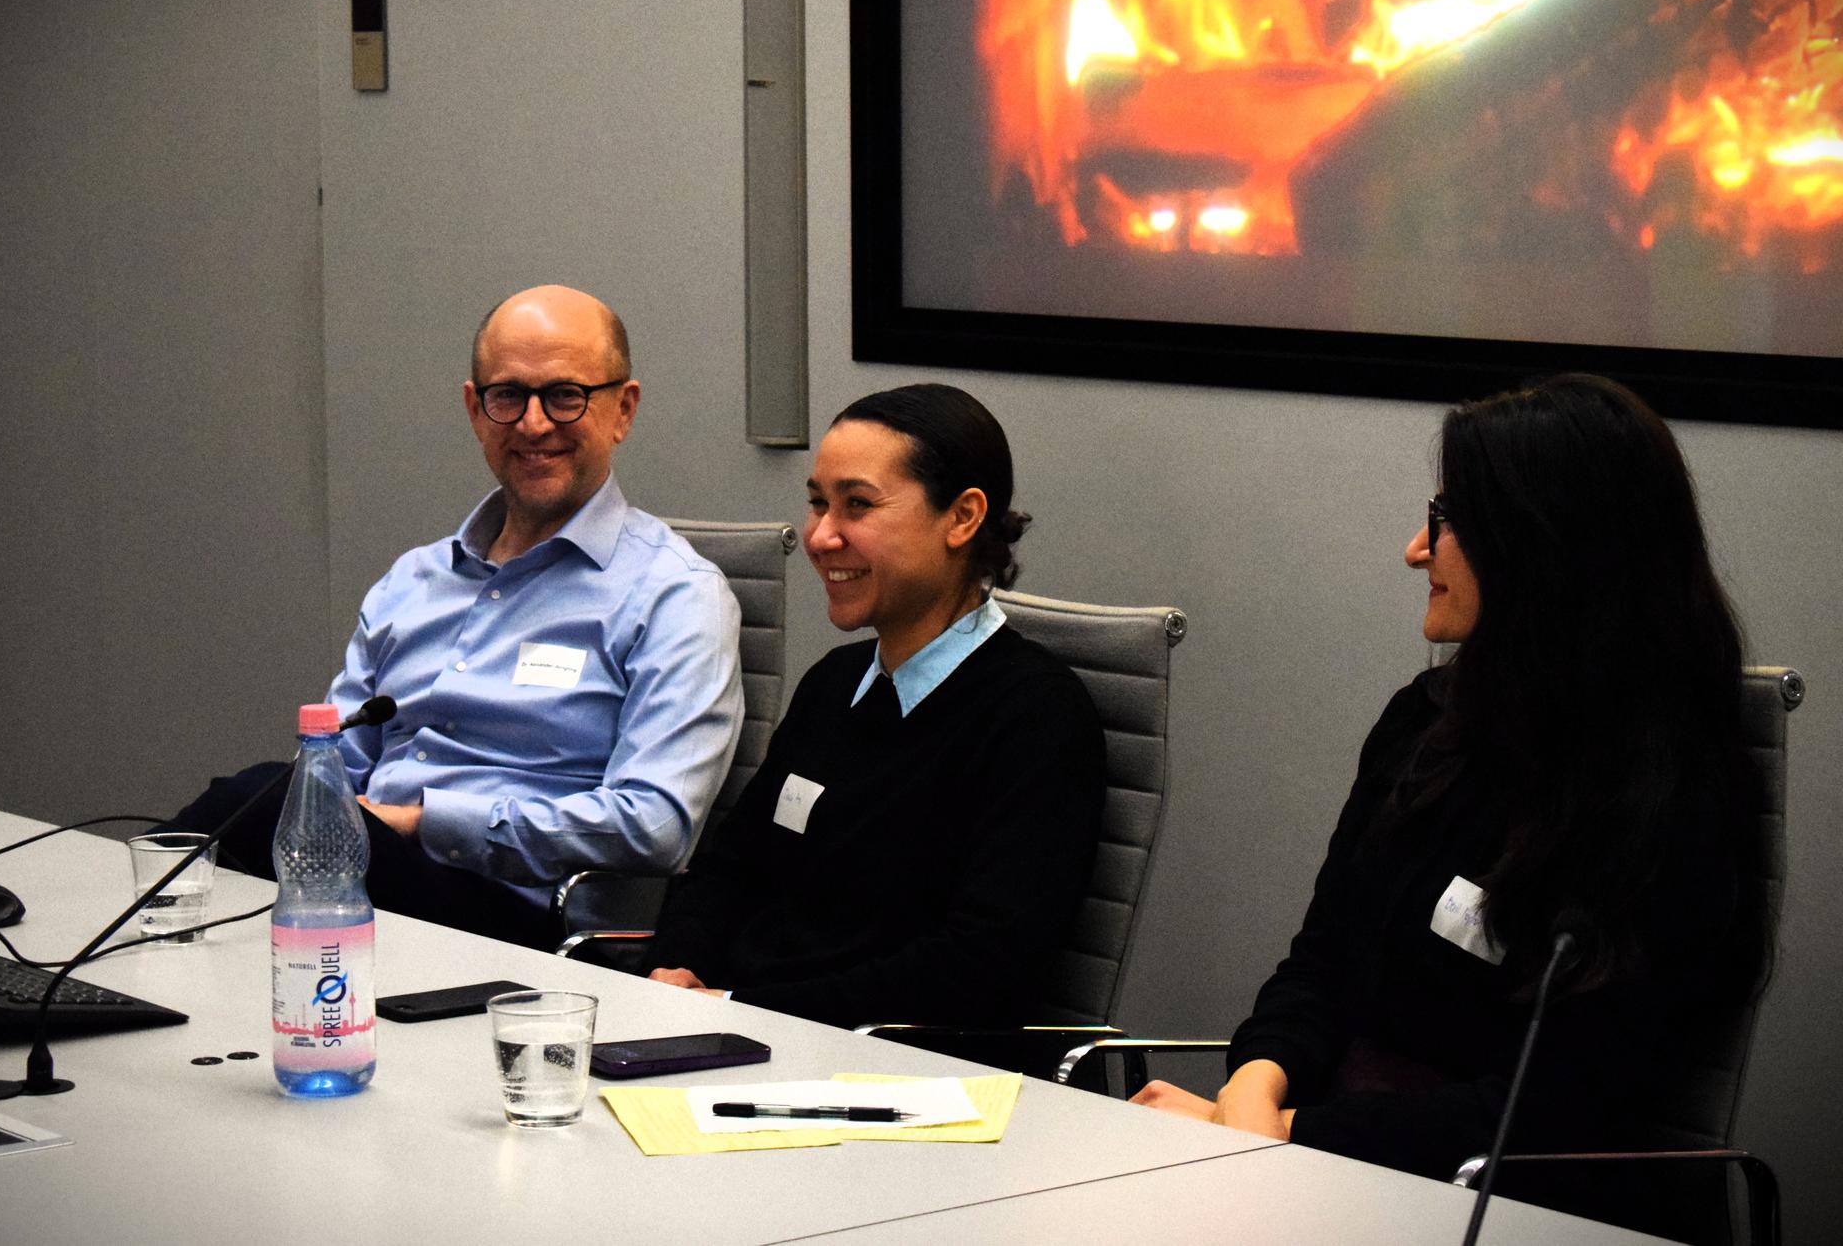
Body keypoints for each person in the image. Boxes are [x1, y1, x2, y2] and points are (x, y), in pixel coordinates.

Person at [1129, 373, 1770, 1231]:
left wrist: (1283, 1134)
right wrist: (1252, 1089)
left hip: (1526, 1205)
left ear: (1542, 543)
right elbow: (1322, 963)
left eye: (1449, 519)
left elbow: (1556, 1106)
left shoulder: (1672, 799)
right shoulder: (1424, 721)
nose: (1415, 550)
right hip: (1337, 1164)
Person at [170, 285, 743, 946]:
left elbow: (655, 826)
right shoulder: (414, 582)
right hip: (359, 891)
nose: (533, 424)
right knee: (258, 812)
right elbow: (332, 770)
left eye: (566, 395)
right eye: (508, 396)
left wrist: (427, 821)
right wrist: (330, 818)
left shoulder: (675, 596)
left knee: (253, 798)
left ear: (624, 409)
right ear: (475, 409)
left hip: (517, 920)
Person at [646, 383, 1105, 1029]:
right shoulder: (834, 683)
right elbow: (729, 868)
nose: (820, 536)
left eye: (857, 505)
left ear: (963, 517)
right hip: (746, 1030)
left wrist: (741, 1010)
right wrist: (675, 969)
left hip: (891, 1064)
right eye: (817, 503)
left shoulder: (1038, 716)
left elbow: (978, 966)